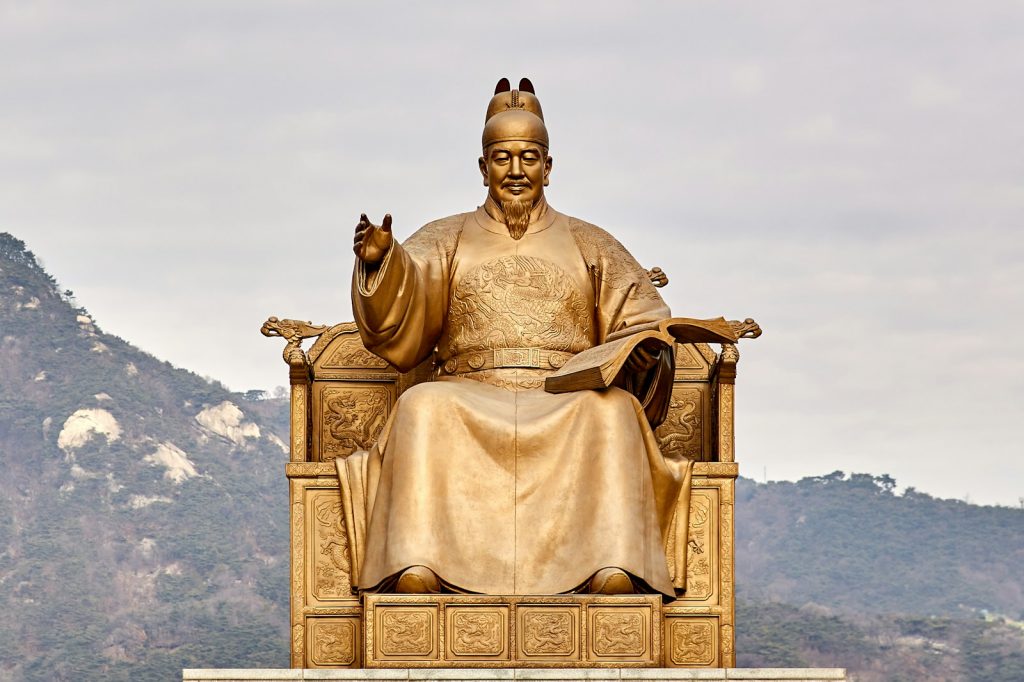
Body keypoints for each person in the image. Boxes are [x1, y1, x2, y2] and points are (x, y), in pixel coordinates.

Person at [338, 78, 692, 598]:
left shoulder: (591, 241)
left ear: (548, 166)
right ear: (483, 168)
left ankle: (613, 566)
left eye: (529, 157)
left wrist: (644, 344)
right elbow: (402, 309)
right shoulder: (446, 236)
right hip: (470, 388)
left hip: (567, 395)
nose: (517, 171)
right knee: (422, 405)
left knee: (613, 411)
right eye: (502, 158)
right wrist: (381, 264)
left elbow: (643, 314)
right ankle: (419, 564)